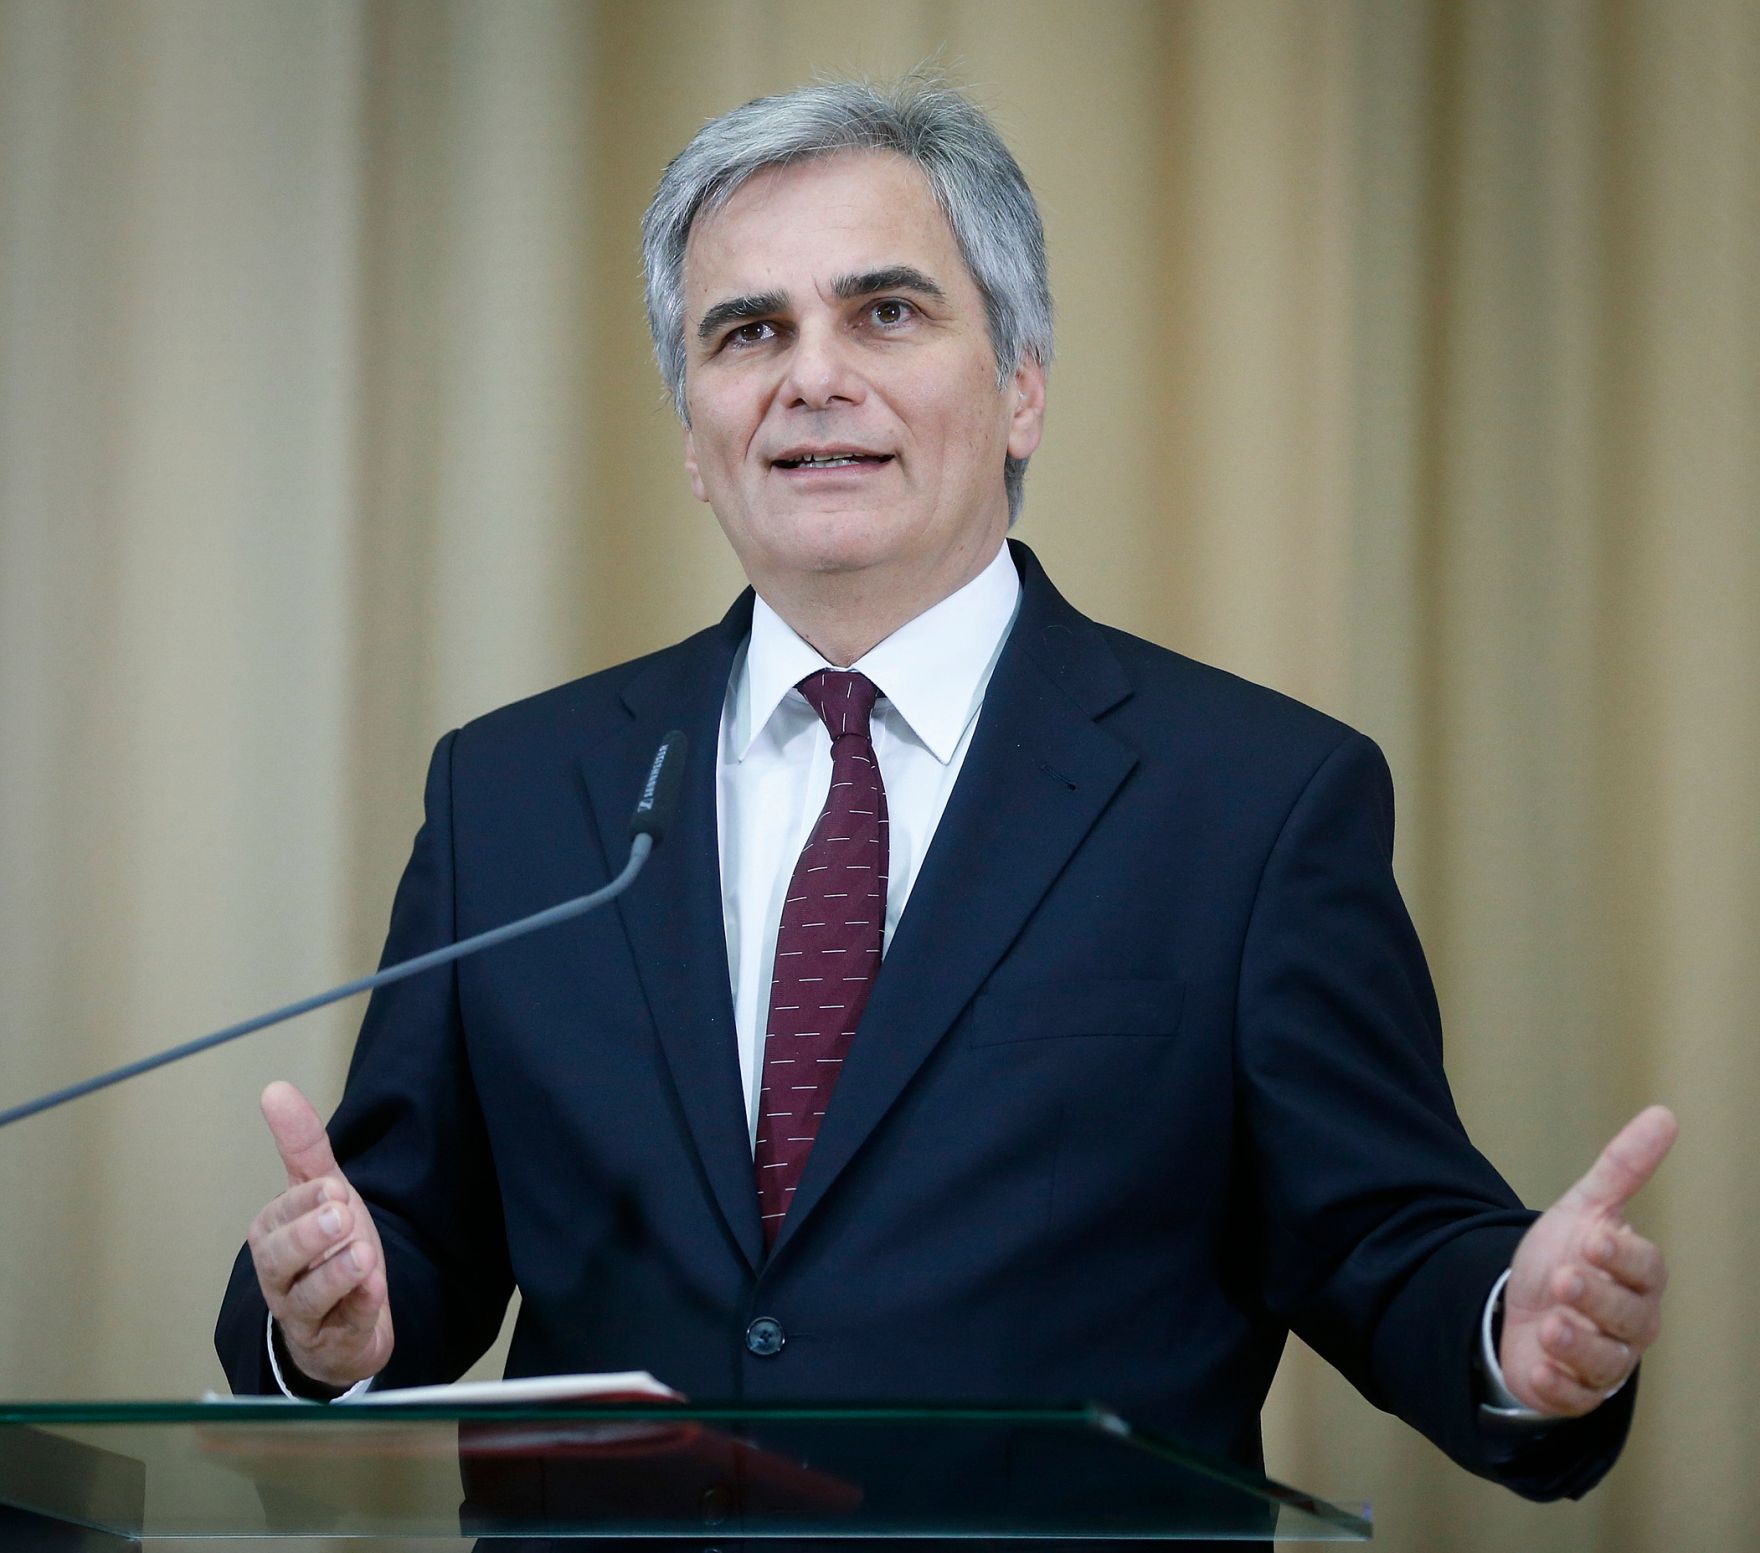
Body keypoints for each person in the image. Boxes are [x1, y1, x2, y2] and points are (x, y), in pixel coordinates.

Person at [217, 76, 1673, 1504]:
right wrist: (325, 1321)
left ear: (1022, 386)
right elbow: (409, 1237)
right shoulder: (517, 795)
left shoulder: (1253, 803)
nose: (812, 377)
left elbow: (1380, 1235)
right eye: (749, 332)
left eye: (886, 313)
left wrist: (1511, 1325)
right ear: (693, 434)